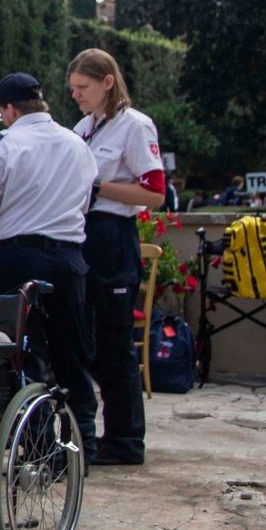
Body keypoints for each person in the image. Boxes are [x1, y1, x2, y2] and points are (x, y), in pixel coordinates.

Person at [0, 74, 99, 453]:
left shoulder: (3, 145)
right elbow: (84, 203)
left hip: (18, 257)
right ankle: (83, 444)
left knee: (24, 354)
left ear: (9, 109)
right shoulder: (76, 143)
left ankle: (39, 446)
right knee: (72, 353)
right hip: (69, 257)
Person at [67, 49, 165, 466]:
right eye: (72, 88)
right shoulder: (83, 128)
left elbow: (155, 193)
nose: (76, 95)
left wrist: (98, 187)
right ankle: (97, 433)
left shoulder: (134, 125)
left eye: (83, 87)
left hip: (114, 234)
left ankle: (125, 440)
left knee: (115, 342)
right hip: (83, 234)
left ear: (107, 82)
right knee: (87, 340)